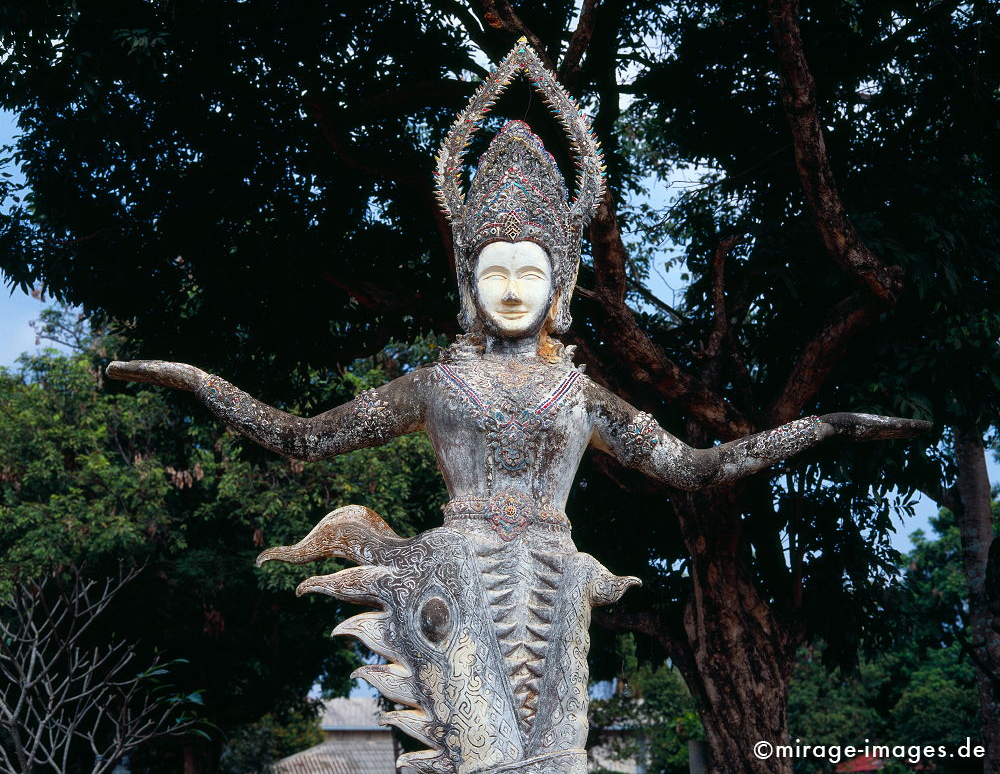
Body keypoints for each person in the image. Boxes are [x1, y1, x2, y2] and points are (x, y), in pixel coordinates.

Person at [107, 39, 928, 774]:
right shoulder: (434, 386)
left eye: (529, 272)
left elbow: (693, 467)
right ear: (469, 281)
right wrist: (193, 378)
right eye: (493, 270)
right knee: (486, 760)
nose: (510, 288)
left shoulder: (582, 394)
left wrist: (825, 426)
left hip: (559, 579)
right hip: (454, 579)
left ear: (559, 285)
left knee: (559, 762)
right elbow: (303, 438)